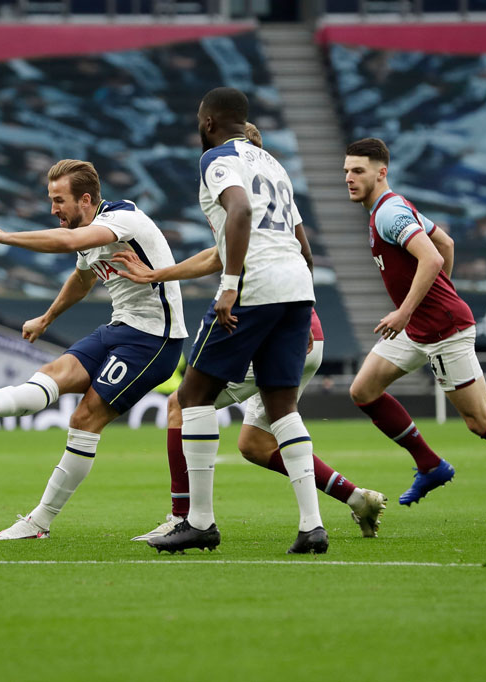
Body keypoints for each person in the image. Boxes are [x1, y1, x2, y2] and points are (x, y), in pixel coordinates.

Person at [115, 123, 386, 541]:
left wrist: (224, 285)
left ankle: (186, 516)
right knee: (260, 440)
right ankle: (344, 506)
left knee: (184, 402)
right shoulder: (276, 175)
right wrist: (158, 273)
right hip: (300, 312)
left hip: (259, 306)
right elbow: (287, 248)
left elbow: (232, 242)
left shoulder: (228, 172)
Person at [0, 159, 188, 540]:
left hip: (154, 340)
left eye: (59, 201)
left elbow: (71, 243)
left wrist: (4, 236)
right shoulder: (88, 233)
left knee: (84, 420)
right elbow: (82, 277)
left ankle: (38, 522)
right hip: (119, 328)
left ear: (85, 199)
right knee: (49, 376)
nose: (53, 209)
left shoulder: (123, 220)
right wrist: (47, 318)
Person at [142, 87, 326, 555]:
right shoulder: (274, 164)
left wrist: (229, 284)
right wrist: (303, 308)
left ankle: (199, 521)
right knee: (282, 407)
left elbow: (240, 209)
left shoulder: (217, 160)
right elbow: (304, 245)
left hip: (255, 287)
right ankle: (312, 526)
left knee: (193, 395)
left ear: (208, 123)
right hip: (295, 288)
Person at [344, 137, 486, 505]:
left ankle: (432, 464)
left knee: (481, 421)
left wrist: (409, 309)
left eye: (358, 171)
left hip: (442, 330)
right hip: (418, 328)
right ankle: (430, 464)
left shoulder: (389, 212)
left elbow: (434, 258)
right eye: (346, 171)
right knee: (363, 390)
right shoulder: (390, 207)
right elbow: (447, 244)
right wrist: (433, 299)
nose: (349, 178)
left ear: (381, 172)